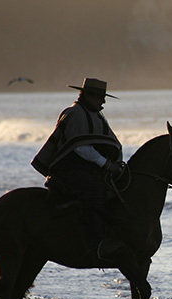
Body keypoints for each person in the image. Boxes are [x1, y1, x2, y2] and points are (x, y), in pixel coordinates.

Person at [31, 78, 125, 261]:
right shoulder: (74, 114)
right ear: (87, 95)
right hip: (69, 170)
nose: (103, 102)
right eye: (100, 97)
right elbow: (80, 147)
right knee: (94, 189)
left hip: (89, 168)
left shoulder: (96, 116)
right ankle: (95, 243)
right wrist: (106, 164)